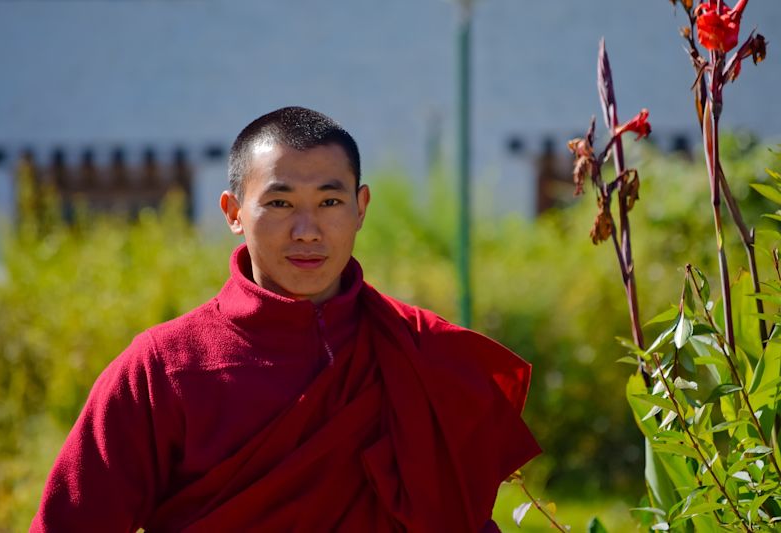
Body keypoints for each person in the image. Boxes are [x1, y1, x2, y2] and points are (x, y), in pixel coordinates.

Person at [32, 106, 540, 532]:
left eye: (330, 201)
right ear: (233, 212)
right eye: (279, 202)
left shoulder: (420, 351)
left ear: (360, 208)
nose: (307, 230)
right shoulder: (162, 368)